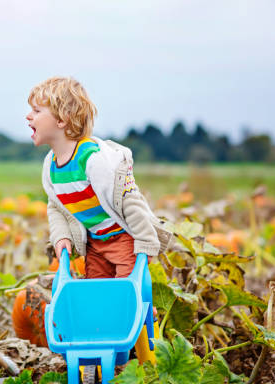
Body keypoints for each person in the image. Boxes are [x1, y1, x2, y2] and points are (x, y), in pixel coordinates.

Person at [26, 76, 171, 279]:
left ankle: (144, 311)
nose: (28, 116)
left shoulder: (93, 160)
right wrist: (61, 237)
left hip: (123, 239)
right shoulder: (51, 165)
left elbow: (128, 199)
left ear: (61, 119)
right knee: (98, 294)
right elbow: (55, 207)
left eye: (36, 111)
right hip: (95, 243)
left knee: (126, 295)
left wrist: (145, 240)